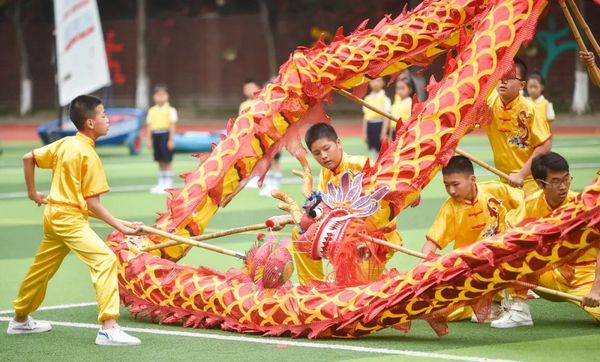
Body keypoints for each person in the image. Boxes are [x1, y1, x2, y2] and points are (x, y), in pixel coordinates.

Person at [6, 95, 143, 345]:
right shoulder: (89, 156)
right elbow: (93, 204)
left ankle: (20, 319)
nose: (108, 119)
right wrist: (120, 226)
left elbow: (29, 158)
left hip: (54, 215)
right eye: (103, 115)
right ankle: (108, 328)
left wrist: (32, 193)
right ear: (90, 123)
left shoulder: (66, 143)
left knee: (41, 269)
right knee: (104, 259)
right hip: (69, 219)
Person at [290, 123, 401, 284]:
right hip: (345, 238)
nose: (324, 156)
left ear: (339, 143)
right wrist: (289, 218)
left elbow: (393, 185)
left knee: (352, 291)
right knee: (299, 233)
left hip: (375, 238)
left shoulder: (362, 165)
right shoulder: (325, 173)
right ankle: (312, 289)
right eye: (317, 153)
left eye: (327, 148)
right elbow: (323, 210)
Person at [422, 156, 527, 325]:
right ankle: (488, 307)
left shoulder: (496, 189)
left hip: (503, 262)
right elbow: (430, 246)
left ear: (472, 180)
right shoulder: (450, 208)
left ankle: (512, 302)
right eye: (446, 185)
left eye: (455, 184)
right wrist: (427, 264)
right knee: (437, 310)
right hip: (472, 272)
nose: (451, 191)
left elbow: (527, 200)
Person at [508, 152, 600, 321]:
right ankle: (519, 309)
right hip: (548, 274)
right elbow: (509, 239)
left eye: (566, 179)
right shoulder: (531, 204)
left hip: (585, 276)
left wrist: (596, 289)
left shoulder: (582, 207)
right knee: (511, 248)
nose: (563, 186)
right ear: (540, 184)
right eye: (556, 181)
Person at [484, 58, 552, 196]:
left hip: (528, 181)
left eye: (509, 77)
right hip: (503, 179)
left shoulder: (531, 109)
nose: (503, 80)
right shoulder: (489, 103)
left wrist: (521, 174)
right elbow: (470, 124)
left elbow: (544, 145)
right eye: (501, 75)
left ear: (522, 85)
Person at [239, 78, 282, 194]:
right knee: (264, 160)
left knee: (274, 160)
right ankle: (269, 184)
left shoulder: (277, 103)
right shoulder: (260, 104)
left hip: (275, 135)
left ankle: (275, 186)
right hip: (263, 136)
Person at [146, 84, 178, 194]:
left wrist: (171, 140)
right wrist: (149, 139)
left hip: (165, 135)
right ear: (154, 96)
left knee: (167, 160)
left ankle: (169, 183)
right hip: (156, 136)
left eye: (163, 95)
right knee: (159, 160)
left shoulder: (171, 110)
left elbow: (172, 125)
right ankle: (161, 183)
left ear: (167, 96)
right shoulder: (151, 110)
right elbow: (149, 126)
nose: (160, 97)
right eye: (158, 95)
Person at [362, 77, 391, 159]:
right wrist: (364, 132)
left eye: (378, 80)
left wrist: (384, 132)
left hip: (380, 125)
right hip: (370, 126)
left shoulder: (385, 98)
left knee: (382, 149)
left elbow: (386, 116)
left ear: (383, 83)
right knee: (373, 147)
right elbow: (365, 116)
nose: (375, 83)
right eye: (373, 80)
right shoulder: (367, 99)